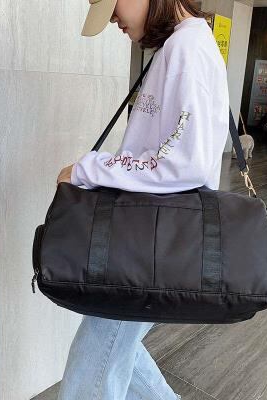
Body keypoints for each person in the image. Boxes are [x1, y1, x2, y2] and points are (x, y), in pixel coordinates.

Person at [56, 0, 229, 399]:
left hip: (150, 244)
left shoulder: (188, 48)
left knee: (92, 367)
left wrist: (87, 169)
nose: (112, 19)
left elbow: (186, 163)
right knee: (115, 351)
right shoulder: (179, 45)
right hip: (146, 239)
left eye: (111, 5)